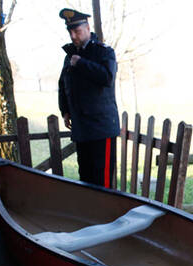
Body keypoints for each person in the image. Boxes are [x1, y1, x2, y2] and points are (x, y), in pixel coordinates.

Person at [58, 8, 119, 188]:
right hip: (82, 128)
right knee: (86, 179)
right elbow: (63, 85)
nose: (74, 36)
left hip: (102, 128)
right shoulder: (69, 55)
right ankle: (90, 215)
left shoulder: (104, 52)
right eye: (71, 32)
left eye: (77, 31)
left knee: (103, 182)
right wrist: (65, 111)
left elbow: (107, 77)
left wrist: (82, 63)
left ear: (87, 28)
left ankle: (105, 216)